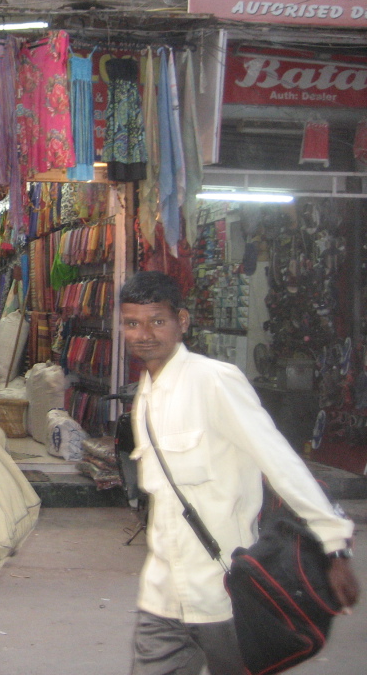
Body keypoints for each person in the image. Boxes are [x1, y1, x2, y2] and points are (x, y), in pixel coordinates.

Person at [120, 271, 359, 675]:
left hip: (224, 593)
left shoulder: (215, 381)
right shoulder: (147, 393)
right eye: (132, 323)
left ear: (182, 321)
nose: (143, 334)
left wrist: (334, 545)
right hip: (162, 596)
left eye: (157, 321)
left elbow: (279, 461)